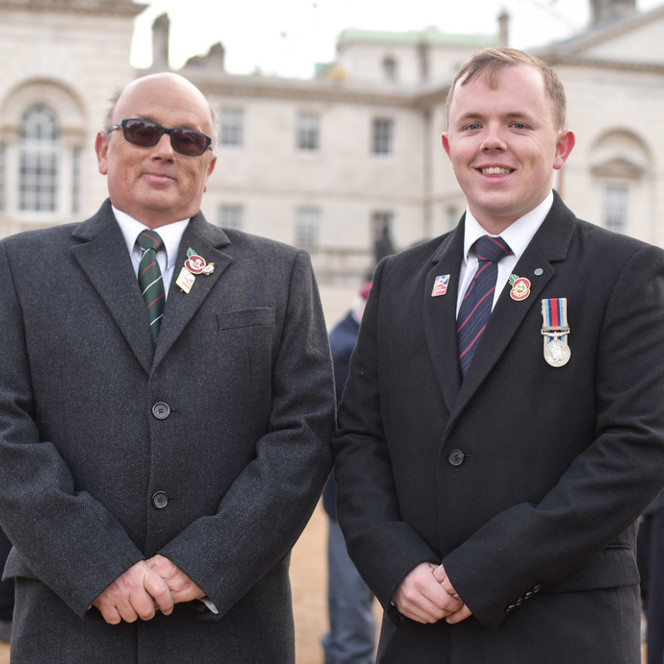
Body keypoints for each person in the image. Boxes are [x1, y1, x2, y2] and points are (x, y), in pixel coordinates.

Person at [331, 46, 664, 664]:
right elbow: (357, 441)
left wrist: (481, 572)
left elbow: (637, 449)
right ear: (447, 145)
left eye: (517, 123)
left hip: (562, 633)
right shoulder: (399, 279)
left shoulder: (628, 273)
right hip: (419, 630)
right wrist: (396, 567)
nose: (492, 142)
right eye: (473, 125)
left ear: (561, 148)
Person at [0, 72, 334, 664]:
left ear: (209, 165)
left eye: (188, 140)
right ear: (104, 150)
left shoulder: (279, 274)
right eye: (142, 130)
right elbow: (6, 433)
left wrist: (204, 562)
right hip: (70, 621)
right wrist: (98, 566)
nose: (163, 149)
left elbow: (304, 435)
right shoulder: (20, 267)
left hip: (227, 623)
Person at [322, 282, 376, 664]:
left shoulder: (344, 339)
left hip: (355, 499)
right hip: (353, 500)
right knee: (350, 609)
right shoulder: (343, 349)